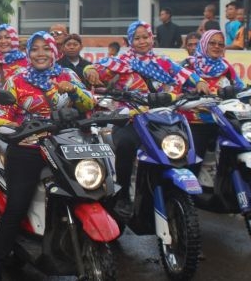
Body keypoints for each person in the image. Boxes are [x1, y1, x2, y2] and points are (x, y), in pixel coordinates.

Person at [0, 31, 94, 281]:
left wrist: (74, 91)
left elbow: (89, 104)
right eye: (34, 49)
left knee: (92, 190)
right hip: (28, 148)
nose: (40, 54)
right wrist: (18, 133)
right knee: (16, 207)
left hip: (65, 147)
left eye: (45, 48)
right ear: (28, 53)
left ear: (54, 52)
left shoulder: (67, 75)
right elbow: (1, 116)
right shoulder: (16, 80)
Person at [83, 21, 208, 217]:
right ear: (131, 41)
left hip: (162, 119)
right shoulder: (121, 62)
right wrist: (90, 71)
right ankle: (123, 194)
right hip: (131, 118)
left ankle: (176, 191)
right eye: (137, 38)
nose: (142, 42)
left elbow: (184, 73)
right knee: (124, 145)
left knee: (182, 146)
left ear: (152, 38)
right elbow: (97, 68)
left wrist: (200, 82)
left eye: (145, 37)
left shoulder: (163, 62)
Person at [182, 29, 245, 161]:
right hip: (195, 122)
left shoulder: (226, 67)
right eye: (212, 43)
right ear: (204, 44)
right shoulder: (188, 66)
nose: (217, 47)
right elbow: (174, 89)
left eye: (220, 44)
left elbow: (239, 87)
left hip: (224, 121)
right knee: (194, 162)